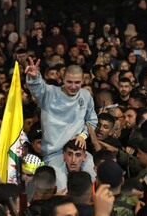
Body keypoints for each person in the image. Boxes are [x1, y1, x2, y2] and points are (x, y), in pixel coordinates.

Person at [26, 59, 98, 190]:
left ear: (83, 81)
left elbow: (92, 120)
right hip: (55, 153)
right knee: (62, 188)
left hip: (78, 151)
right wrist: (35, 77)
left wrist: (83, 135)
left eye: (77, 82)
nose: (73, 86)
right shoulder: (50, 93)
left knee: (91, 183)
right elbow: (38, 88)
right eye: (69, 82)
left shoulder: (85, 95)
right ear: (62, 80)